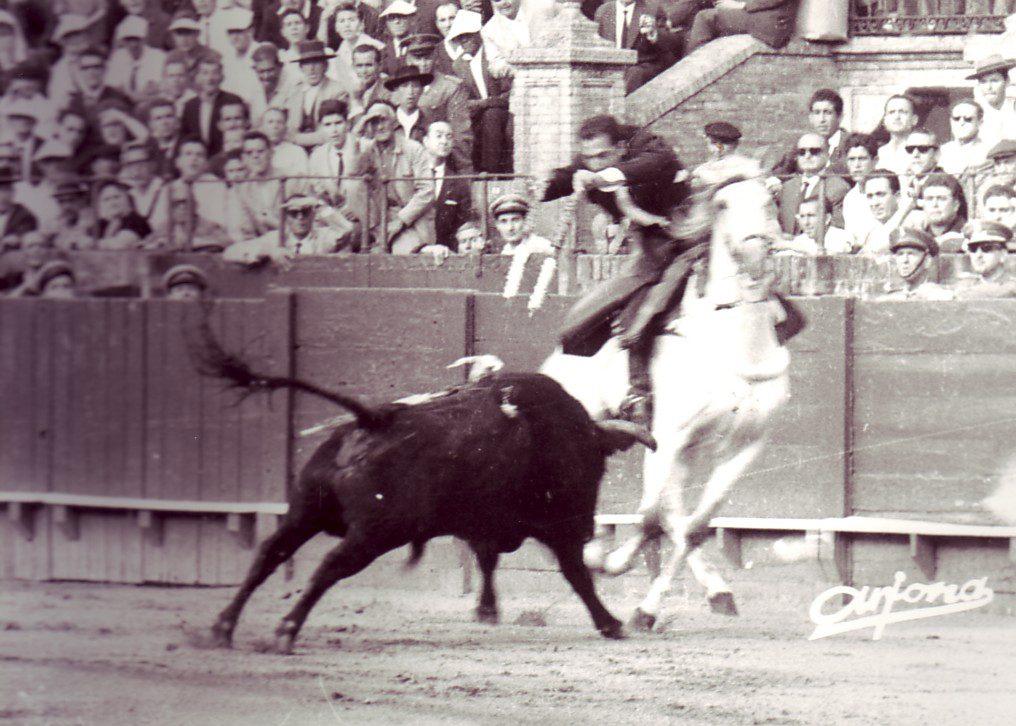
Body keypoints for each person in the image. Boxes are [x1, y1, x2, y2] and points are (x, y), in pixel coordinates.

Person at [541, 114, 692, 428]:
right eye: (590, 158)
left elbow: (654, 163)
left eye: (603, 156)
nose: (595, 164)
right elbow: (569, 174)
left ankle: (638, 389)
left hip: (687, 233)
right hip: (649, 244)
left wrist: (602, 176)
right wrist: (546, 183)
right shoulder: (592, 162)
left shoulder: (649, 147)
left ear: (622, 147)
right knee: (582, 321)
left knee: (644, 310)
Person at [357, 101, 436, 254]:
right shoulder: (365, 150)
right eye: (374, 122)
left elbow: (427, 191)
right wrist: (357, 130)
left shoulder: (413, 148)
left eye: (383, 120)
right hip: (376, 219)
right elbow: (352, 180)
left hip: (407, 219)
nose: (379, 127)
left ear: (394, 122)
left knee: (405, 256)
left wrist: (400, 221)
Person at [448, 10, 512, 174]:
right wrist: (477, 106)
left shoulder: (494, 54)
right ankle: (468, 174)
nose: (464, 42)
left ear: (478, 34)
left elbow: (509, 93)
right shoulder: (459, 65)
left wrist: (485, 103)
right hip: (477, 115)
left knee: (492, 115)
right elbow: (462, 100)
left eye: (467, 36)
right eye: (460, 38)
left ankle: (489, 172)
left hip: (504, 112)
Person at [403, 32, 473, 172]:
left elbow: (460, 134)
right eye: (417, 58)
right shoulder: (399, 88)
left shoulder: (450, 88)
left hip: (438, 161)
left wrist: (463, 170)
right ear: (408, 60)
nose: (423, 64)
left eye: (427, 58)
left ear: (435, 58)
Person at [305, 99, 367, 250]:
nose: (333, 130)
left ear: (347, 123)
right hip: (333, 223)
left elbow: (376, 189)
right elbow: (319, 194)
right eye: (327, 125)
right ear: (321, 127)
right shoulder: (317, 156)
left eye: (338, 123)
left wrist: (357, 211)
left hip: (365, 220)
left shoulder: (365, 147)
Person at [222, 193, 345, 264]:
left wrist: (318, 203)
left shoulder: (323, 236)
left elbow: (348, 230)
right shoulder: (275, 238)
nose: (300, 217)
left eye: (305, 212)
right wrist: (268, 251)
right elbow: (230, 252)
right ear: (286, 217)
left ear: (313, 214)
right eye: (294, 213)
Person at [776, 132, 849, 234]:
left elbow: (836, 229)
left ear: (827, 155)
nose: (807, 156)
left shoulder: (838, 187)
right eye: (802, 152)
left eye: (814, 151)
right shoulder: (787, 187)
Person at [286, 40, 350, 148]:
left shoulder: (337, 91)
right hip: (296, 151)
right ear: (300, 67)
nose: (311, 69)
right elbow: (288, 128)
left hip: (326, 148)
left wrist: (296, 139)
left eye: (316, 62)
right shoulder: (294, 92)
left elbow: (331, 133)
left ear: (326, 66)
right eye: (306, 63)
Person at [180, 51, 245, 156]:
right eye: (205, 73)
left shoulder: (233, 101)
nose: (210, 79)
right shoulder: (189, 106)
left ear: (221, 76)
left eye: (214, 72)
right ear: (197, 77)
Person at [423, 119, 472, 251]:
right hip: (414, 251)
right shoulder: (412, 176)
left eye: (448, 137)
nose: (444, 141)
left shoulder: (459, 182)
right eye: (438, 136)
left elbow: (463, 223)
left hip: (446, 253)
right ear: (425, 141)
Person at [684, 0, 802, 55]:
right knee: (692, 33)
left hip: (770, 22)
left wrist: (741, 5)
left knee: (704, 18)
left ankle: (692, 67)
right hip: (766, 17)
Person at [878, 227, 952, 301]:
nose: (905, 260)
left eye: (911, 254)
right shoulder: (892, 297)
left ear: (927, 261)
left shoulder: (938, 296)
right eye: (900, 254)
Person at [106, 15, 166, 100]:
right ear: (122, 41)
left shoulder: (158, 57)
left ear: (144, 39)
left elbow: (162, 88)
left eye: (136, 39)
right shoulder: (118, 57)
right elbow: (111, 86)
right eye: (128, 40)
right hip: (123, 103)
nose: (133, 44)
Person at [953, 220, 1016, 299]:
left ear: (1003, 254)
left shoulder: (1012, 288)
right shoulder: (964, 285)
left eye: (986, 248)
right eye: (973, 249)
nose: (978, 255)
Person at [773, 196, 853, 255]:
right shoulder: (801, 240)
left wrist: (789, 245)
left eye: (811, 216)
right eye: (802, 217)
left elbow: (828, 257)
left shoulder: (842, 236)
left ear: (827, 218)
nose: (806, 223)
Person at [967, 54, 1016, 148]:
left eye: (994, 81)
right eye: (983, 82)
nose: (989, 87)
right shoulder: (973, 115)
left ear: (1007, 81)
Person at [840, 133, 879, 245]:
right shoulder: (850, 198)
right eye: (852, 159)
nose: (856, 165)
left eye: (862, 159)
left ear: (875, 161)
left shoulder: (884, 192)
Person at [913, 172, 966, 253]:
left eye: (941, 199)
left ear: (956, 205)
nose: (934, 204)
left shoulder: (968, 234)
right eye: (929, 199)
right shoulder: (916, 234)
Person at [938, 99, 991, 178]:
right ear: (951, 122)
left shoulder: (989, 153)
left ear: (980, 123)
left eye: (968, 119)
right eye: (956, 118)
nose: (961, 123)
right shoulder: (940, 152)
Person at [876, 94, 919, 176]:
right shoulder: (878, 154)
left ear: (914, 120)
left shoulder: (919, 153)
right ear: (884, 120)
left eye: (903, 112)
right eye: (891, 112)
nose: (897, 117)